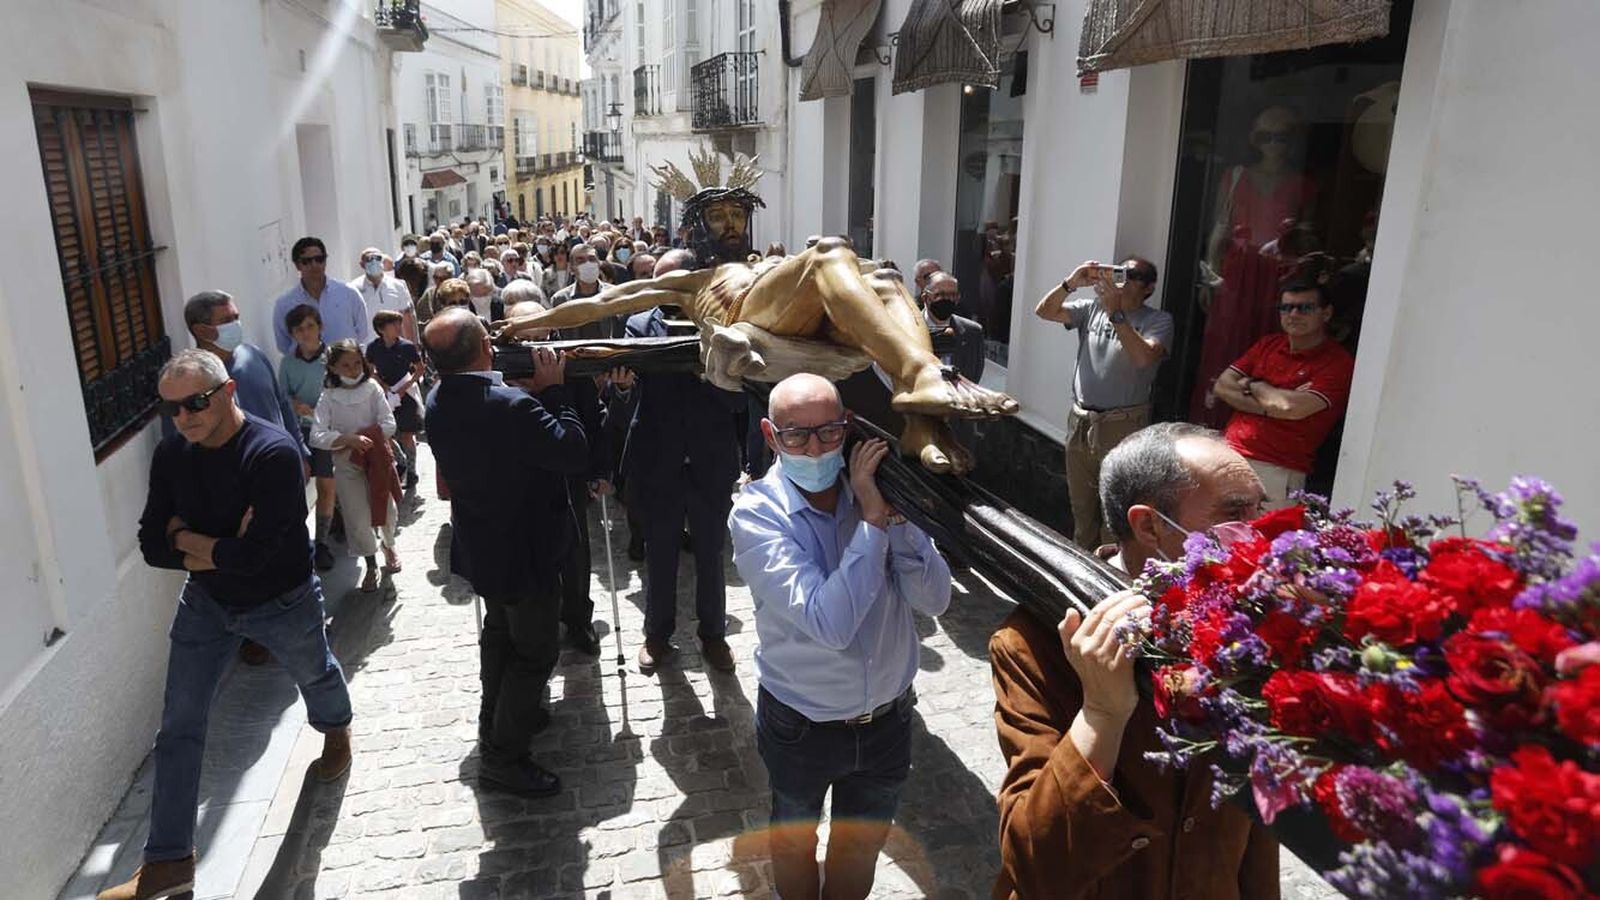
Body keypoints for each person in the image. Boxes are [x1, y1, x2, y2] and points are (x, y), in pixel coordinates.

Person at [498, 150, 1017, 476]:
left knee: (882, 277)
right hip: (748, 324)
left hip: (792, 316)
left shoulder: (765, 261)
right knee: (830, 253)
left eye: (737, 215)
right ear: (695, 228)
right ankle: (923, 374)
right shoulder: (691, 279)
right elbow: (605, 301)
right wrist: (525, 322)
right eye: (718, 216)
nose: (730, 224)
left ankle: (921, 419)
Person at [989, 422, 1277, 900]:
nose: (1256, 534)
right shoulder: (1034, 642)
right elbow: (1034, 863)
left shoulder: (1251, 626)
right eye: (1233, 516)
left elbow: (1257, 822)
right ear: (1149, 526)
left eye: (1259, 510)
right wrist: (1101, 714)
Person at [104, 350, 351, 900]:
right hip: (208, 604)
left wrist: (186, 537)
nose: (183, 417)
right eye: (171, 408)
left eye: (194, 403)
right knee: (179, 727)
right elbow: (151, 544)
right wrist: (218, 548)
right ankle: (169, 862)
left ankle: (337, 730)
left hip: (282, 599)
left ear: (227, 392)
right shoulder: (173, 454)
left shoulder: (273, 454)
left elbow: (259, 556)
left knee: (316, 677)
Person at [731, 372, 952, 900]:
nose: (815, 447)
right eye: (796, 435)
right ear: (769, 435)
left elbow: (935, 600)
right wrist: (873, 525)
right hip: (802, 725)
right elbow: (829, 623)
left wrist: (896, 522)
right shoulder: (757, 514)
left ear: (848, 428)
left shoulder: (878, 493)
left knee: (860, 850)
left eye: (829, 432)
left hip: (887, 722)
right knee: (794, 842)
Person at [423, 308, 588, 797]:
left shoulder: (439, 398)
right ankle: (503, 756)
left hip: (485, 546)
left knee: (500, 635)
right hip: (524, 549)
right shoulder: (512, 406)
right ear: (485, 349)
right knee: (536, 651)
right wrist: (556, 391)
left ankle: (497, 720)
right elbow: (571, 453)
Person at [623, 250, 743, 673]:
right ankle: (657, 635)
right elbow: (635, 395)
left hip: (710, 460)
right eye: (661, 282)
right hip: (660, 460)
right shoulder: (638, 326)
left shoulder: (728, 327)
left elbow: (740, 399)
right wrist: (621, 387)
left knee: (712, 553)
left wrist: (710, 378)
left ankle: (714, 637)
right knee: (661, 553)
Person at [1034, 258, 1174, 549]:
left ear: (1148, 288)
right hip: (1081, 421)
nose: (1120, 281)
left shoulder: (1158, 320)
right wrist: (1071, 282)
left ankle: (1112, 575)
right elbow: (1044, 311)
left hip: (1122, 425)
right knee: (1082, 511)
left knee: (1116, 515)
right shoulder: (1091, 308)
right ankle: (1080, 573)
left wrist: (1117, 313)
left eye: (1130, 276)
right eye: (1117, 272)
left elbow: (1142, 358)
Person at [1210, 267, 1355, 509]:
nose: (1294, 314)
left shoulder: (1337, 363)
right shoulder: (1268, 344)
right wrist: (1269, 402)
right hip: (1229, 454)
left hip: (1276, 469)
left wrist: (1251, 384)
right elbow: (1223, 387)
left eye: (1305, 308)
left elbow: (1289, 407)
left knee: (1261, 543)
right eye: (1286, 307)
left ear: (1326, 313)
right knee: (1212, 538)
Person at [309, 340, 401, 593]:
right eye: (345, 365)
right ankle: (370, 564)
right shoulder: (328, 397)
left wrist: (367, 437)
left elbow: (389, 423)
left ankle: (389, 544)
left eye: (356, 363)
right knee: (357, 517)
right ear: (333, 368)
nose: (352, 369)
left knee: (387, 509)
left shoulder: (372, 389)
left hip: (377, 461)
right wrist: (347, 440)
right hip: (347, 465)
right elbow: (317, 435)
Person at [279, 304, 339, 571]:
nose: (305, 333)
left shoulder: (334, 357)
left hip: (328, 430)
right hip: (299, 431)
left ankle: (322, 544)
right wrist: (295, 406)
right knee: (297, 486)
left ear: (320, 327)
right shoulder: (288, 363)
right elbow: (282, 396)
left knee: (327, 486)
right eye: (299, 329)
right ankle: (300, 541)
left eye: (310, 326)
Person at [272, 237, 372, 354]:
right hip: (306, 370)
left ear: (325, 261)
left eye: (319, 259)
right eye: (307, 261)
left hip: (346, 369)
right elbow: (284, 344)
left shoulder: (348, 293)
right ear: (297, 265)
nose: (314, 265)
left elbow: (363, 333)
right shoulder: (284, 304)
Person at [366, 310, 426, 493]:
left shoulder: (407, 347)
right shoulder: (373, 348)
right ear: (381, 328)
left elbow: (420, 369)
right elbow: (370, 369)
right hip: (385, 394)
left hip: (405, 393)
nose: (399, 327)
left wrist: (404, 386)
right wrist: (381, 384)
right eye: (394, 324)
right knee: (387, 433)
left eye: (399, 323)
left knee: (407, 433)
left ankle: (412, 470)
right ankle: (400, 462)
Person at [921, 271, 986, 384]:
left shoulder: (973, 332)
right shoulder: (908, 329)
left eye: (952, 295)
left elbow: (974, 375)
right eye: (940, 295)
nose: (947, 299)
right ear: (926, 297)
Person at [549, 244, 618, 341]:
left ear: (599, 264)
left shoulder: (615, 294)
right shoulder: (560, 299)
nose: (588, 264)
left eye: (592, 259)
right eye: (580, 260)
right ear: (572, 268)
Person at [350, 246, 418, 342]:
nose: (374, 262)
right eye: (369, 259)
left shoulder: (398, 285)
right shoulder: (353, 288)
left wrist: (412, 345)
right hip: (368, 347)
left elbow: (406, 317)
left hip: (395, 347)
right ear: (362, 264)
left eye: (378, 258)